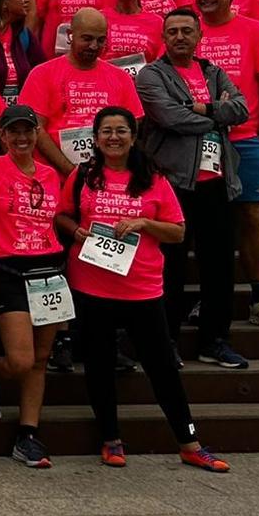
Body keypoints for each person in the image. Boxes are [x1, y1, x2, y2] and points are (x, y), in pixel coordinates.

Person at [58, 105, 231, 472]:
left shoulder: (153, 178)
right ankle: (110, 438)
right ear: (96, 137)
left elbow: (178, 231)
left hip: (142, 288)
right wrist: (76, 231)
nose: (114, 137)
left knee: (162, 367)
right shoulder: (83, 175)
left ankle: (189, 442)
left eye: (121, 130)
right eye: (106, 131)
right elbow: (61, 214)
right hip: (92, 284)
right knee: (100, 365)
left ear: (134, 137)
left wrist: (143, 223)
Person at [138, 7, 251, 369]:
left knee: (219, 267)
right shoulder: (151, 75)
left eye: (187, 31)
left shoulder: (213, 72)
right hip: (174, 184)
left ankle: (215, 340)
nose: (180, 37)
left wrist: (198, 107)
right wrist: (214, 113)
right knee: (170, 267)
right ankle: (164, 340)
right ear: (163, 36)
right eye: (173, 31)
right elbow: (168, 117)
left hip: (218, 183)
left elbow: (243, 109)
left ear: (199, 36)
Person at [0, 103, 68, 469]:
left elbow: (60, 216)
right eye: (14, 131)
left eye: (28, 130)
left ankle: (28, 435)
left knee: (40, 359)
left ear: (37, 134)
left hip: (49, 267)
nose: (22, 137)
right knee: (20, 359)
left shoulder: (52, 175)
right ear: (2, 135)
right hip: (8, 267)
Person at [193, 0, 259, 330]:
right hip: (200, 140)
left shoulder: (254, 30)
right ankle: (211, 296)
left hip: (246, 138)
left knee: (251, 217)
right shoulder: (189, 31)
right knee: (206, 223)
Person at [20, 9, 144, 177]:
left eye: (100, 40)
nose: (94, 46)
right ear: (71, 35)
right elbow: (35, 127)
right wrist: (71, 172)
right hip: (54, 176)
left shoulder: (121, 77)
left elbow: (133, 123)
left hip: (106, 175)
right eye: (87, 39)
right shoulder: (42, 74)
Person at [104, 0, 166, 70]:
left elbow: (160, 62)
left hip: (143, 84)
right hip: (106, 82)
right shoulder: (100, 18)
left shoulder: (157, 22)